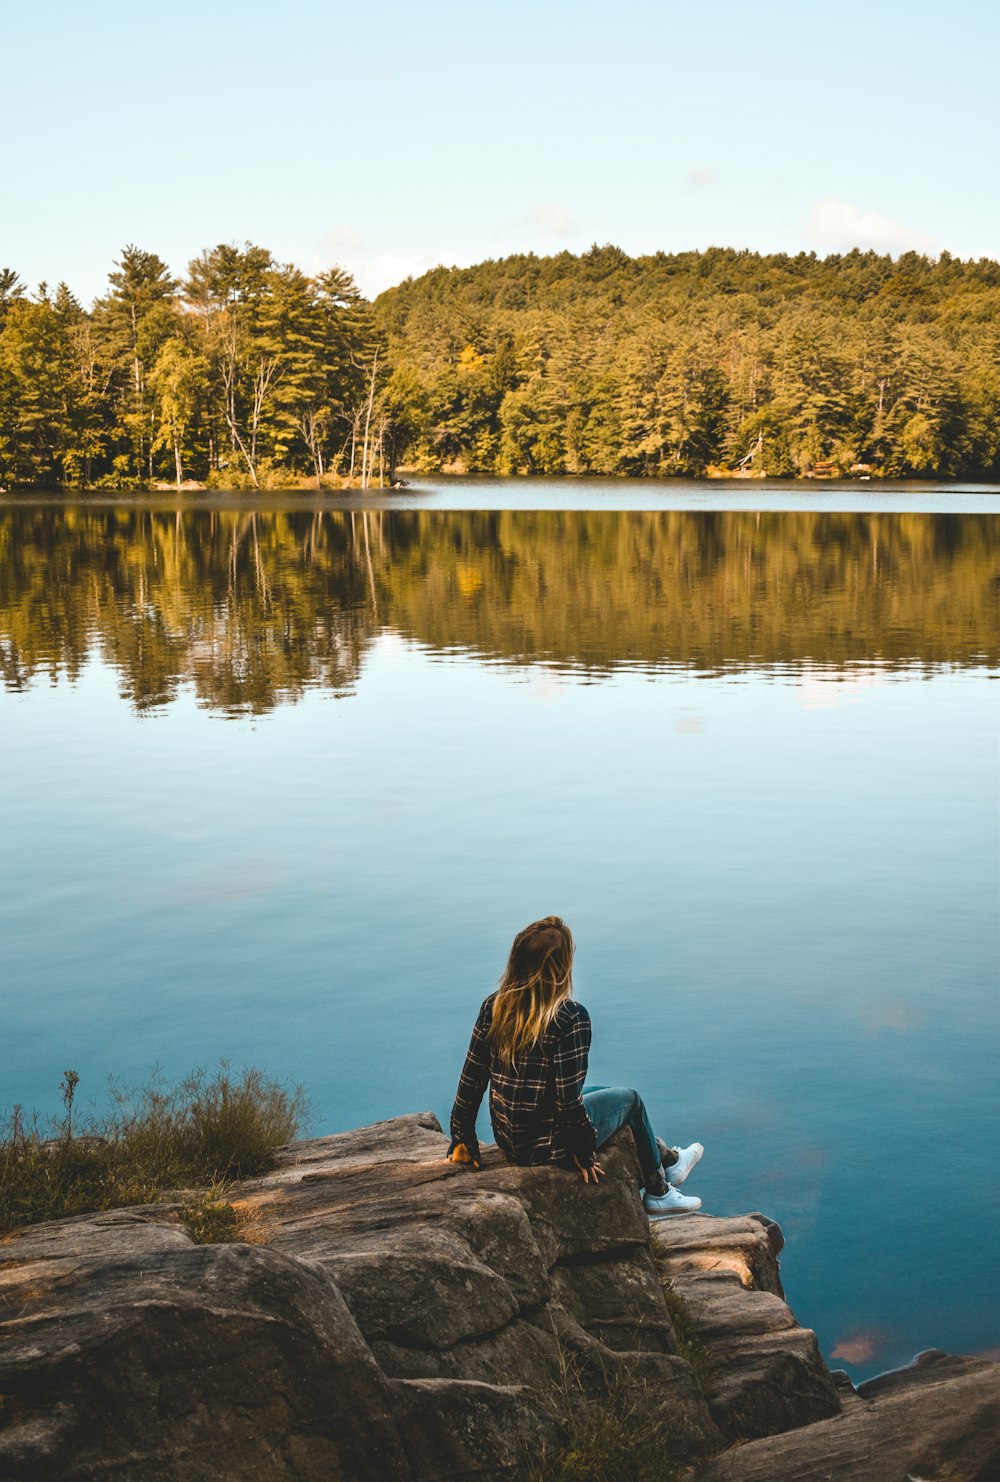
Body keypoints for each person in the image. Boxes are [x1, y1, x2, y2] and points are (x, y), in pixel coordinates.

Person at [447, 915, 704, 1216]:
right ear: (561, 967)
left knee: (608, 1092)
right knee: (631, 1101)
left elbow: (472, 1077)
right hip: (548, 1145)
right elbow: (568, 1101)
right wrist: (583, 1153)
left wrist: (461, 1137)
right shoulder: (570, 1018)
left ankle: (669, 1161)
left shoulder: (495, 1006)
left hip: (511, 1139)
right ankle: (659, 1190)